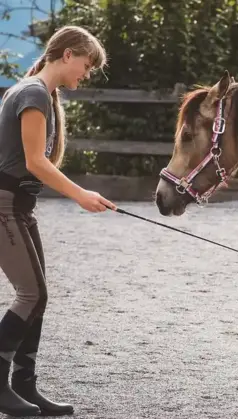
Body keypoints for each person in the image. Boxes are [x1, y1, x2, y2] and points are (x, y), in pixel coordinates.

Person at [0, 25, 116, 416]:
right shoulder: (33, 93)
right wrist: (81, 195)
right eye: (85, 65)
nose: (85, 74)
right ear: (67, 55)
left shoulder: (38, 92)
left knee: (38, 297)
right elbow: (36, 162)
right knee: (32, 294)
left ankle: (24, 385)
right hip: (4, 206)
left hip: (20, 206)